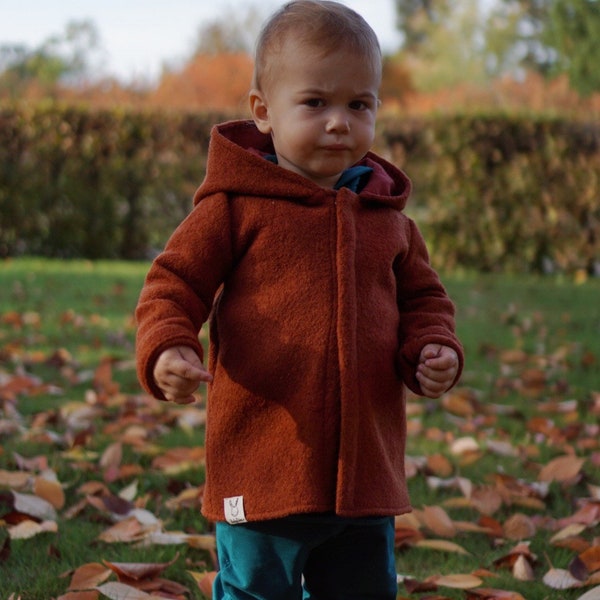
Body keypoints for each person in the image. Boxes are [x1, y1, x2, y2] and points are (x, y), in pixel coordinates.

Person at [135, 1, 464, 598]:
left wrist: (433, 346)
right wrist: (168, 347)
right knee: (258, 589)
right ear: (263, 112)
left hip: (364, 472)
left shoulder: (388, 220)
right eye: (315, 103)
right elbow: (173, 283)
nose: (340, 122)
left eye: (359, 105)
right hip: (263, 462)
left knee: (362, 589)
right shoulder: (234, 208)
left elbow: (425, 299)